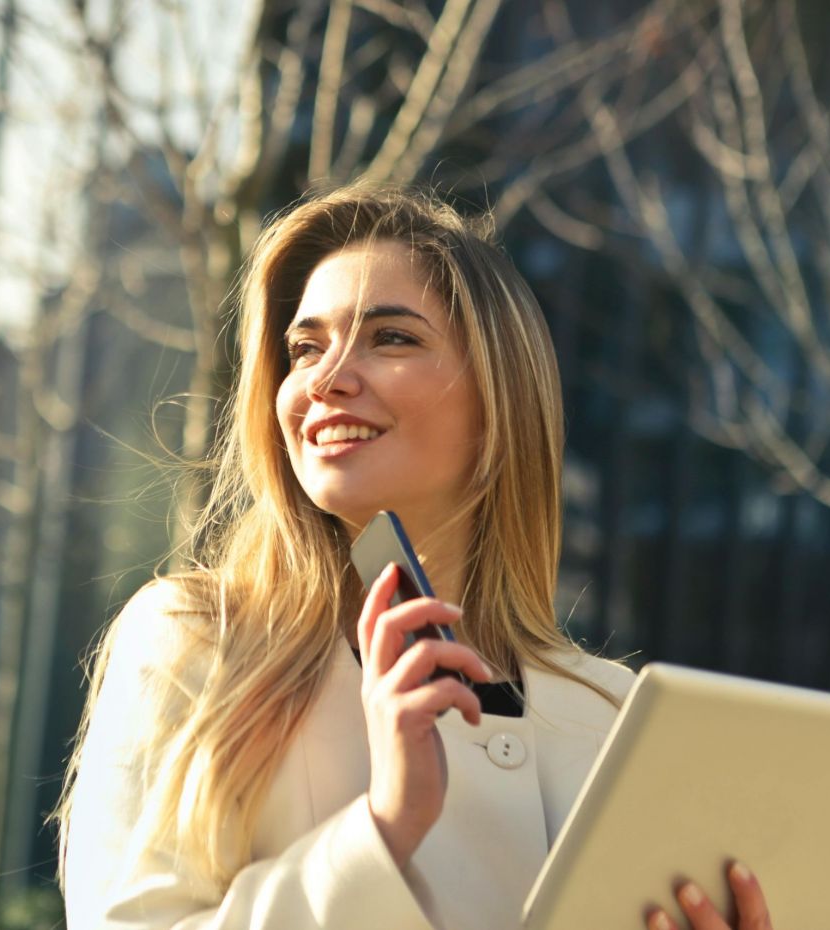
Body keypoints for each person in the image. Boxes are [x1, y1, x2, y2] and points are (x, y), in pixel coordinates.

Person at [54, 184, 774, 930]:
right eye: (304, 347)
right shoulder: (197, 638)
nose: (326, 378)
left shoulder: (609, 711)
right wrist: (383, 828)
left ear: (500, 397)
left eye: (391, 337)